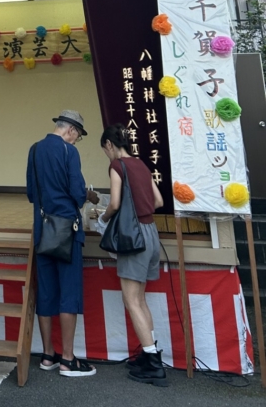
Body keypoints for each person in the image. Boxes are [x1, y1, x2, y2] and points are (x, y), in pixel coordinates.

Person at [27, 110, 100, 378]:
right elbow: (78, 193)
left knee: (46, 292)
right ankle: (68, 359)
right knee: (68, 293)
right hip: (67, 231)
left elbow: (31, 194)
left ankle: (48, 355)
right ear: (70, 130)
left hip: (43, 232)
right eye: (78, 136)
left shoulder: (34, 150)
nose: (76, 141)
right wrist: (90, 195)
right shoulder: (70, 153)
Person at [99, 123, 167, 387]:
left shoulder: (118, 166)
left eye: (106, 150)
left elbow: (114, 203)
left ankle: (153, 364)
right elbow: (159, 201)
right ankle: (150, 352)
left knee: (132, 300)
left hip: (133, 236)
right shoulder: (140, 164)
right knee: (140, 298)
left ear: (109, 145)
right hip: (151, 233)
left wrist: (103, 219)